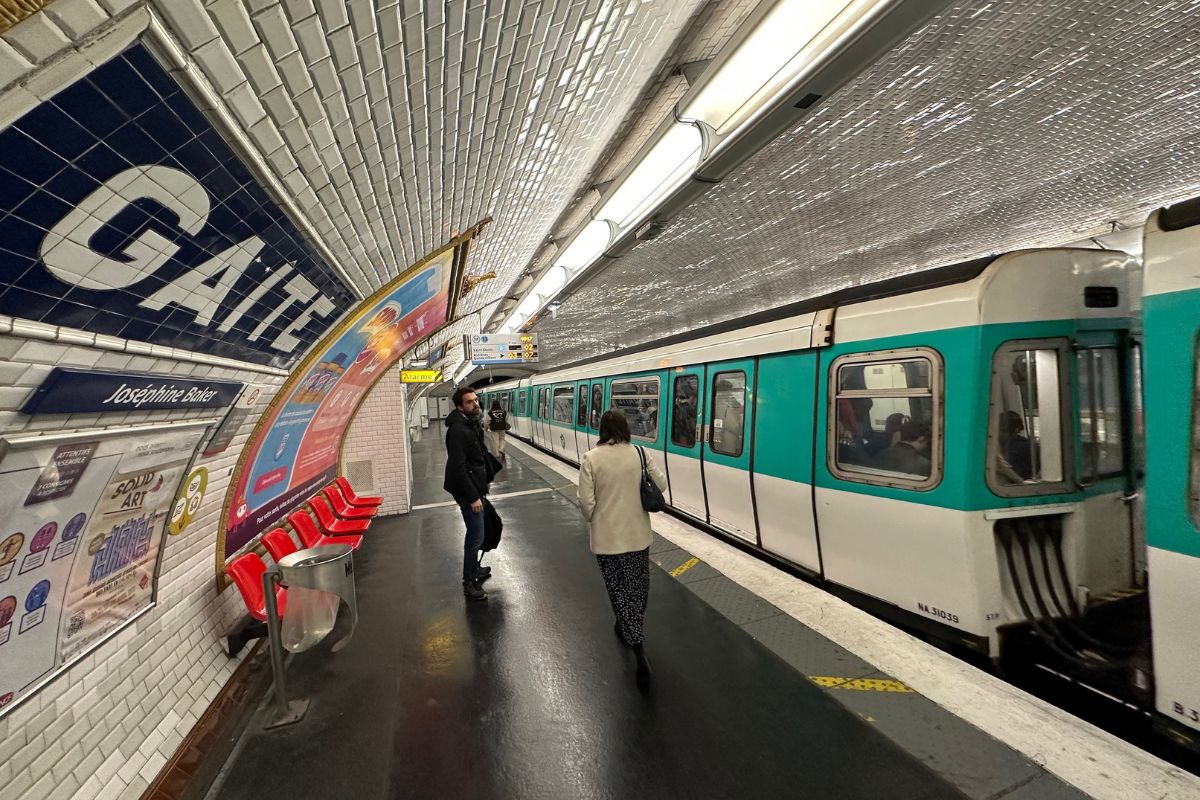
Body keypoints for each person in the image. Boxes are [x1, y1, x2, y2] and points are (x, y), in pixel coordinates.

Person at [577, 410, 667, 691]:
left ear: (602, 430)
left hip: (608, 538)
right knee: (639, 585)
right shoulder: (640, 453)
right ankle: (629, 624)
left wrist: (597, 517)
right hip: (638, 535)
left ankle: (637, 644)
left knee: (618, 588)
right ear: (625, 428)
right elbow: (661, 485)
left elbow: (586, 503)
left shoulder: (591, 459)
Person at [444, 387, 493, 601]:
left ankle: (475, 569)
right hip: (467, 491)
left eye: (476, 400)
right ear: (459, 406)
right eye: (470, 402)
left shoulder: (469, 424)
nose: (476, 404)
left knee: (478, 532)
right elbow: (459, 467)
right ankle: (469, 581)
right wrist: (473, 497)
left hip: (474, 486)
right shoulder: (457, 430)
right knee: (475, 536)